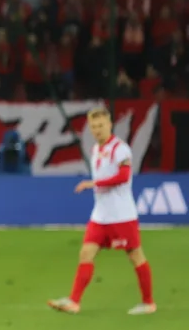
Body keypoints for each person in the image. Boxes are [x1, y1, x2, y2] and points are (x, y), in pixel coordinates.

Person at [48, 107, 155, 315]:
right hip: (100, 215)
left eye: (101, 125)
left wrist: (94, 183)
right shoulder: (96, 149)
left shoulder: (120, 149)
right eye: (93, 126)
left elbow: (124, 177)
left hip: (121, 215)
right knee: (86, 253)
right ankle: (74, 301)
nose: (97, 130)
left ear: (110, 124)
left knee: (136, 256)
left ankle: (148, 303)